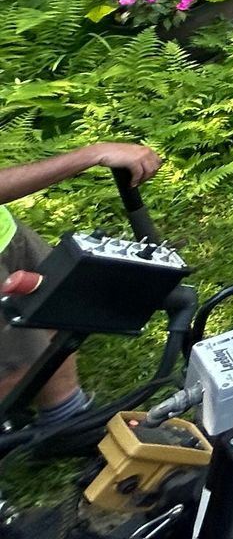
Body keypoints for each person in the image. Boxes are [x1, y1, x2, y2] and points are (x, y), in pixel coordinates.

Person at [2, 142, 163, 421]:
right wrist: (92, 155)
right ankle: (59, 426)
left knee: (60, 306)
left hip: (5, 232)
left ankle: (65, 412)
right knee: (16, 364)